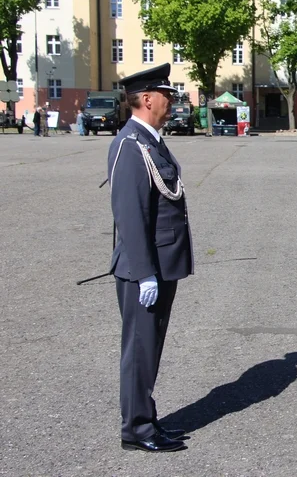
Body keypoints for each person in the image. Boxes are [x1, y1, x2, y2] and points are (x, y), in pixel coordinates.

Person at [108, 63, 194, 452]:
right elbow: (130, 214)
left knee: (149, 350)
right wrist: (144, 273)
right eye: (166, 94)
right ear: (146, 99)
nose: (171, 100)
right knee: (140, 352)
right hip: (145, 270)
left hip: (161, 266)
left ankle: (146, 418)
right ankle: (137, 430)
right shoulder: (130, 145)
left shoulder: (151, 141)